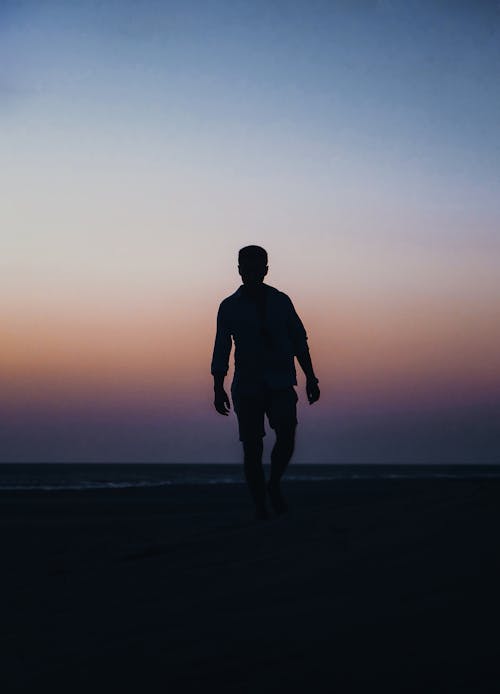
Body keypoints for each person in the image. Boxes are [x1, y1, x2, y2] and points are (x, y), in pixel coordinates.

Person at [211, 245, 320, 519]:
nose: (251, 272)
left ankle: (273, 485)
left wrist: (310, 377)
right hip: (247, 385)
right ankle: (260, 506)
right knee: (252, 447)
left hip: (281, 380)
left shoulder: (281, 301)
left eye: (257, 267)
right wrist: (217, 387)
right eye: (245, 267)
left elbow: (299, 340)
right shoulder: (229, 306)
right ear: (238, 270)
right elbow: (221, 347)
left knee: (287, 434)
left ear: (266, 270)